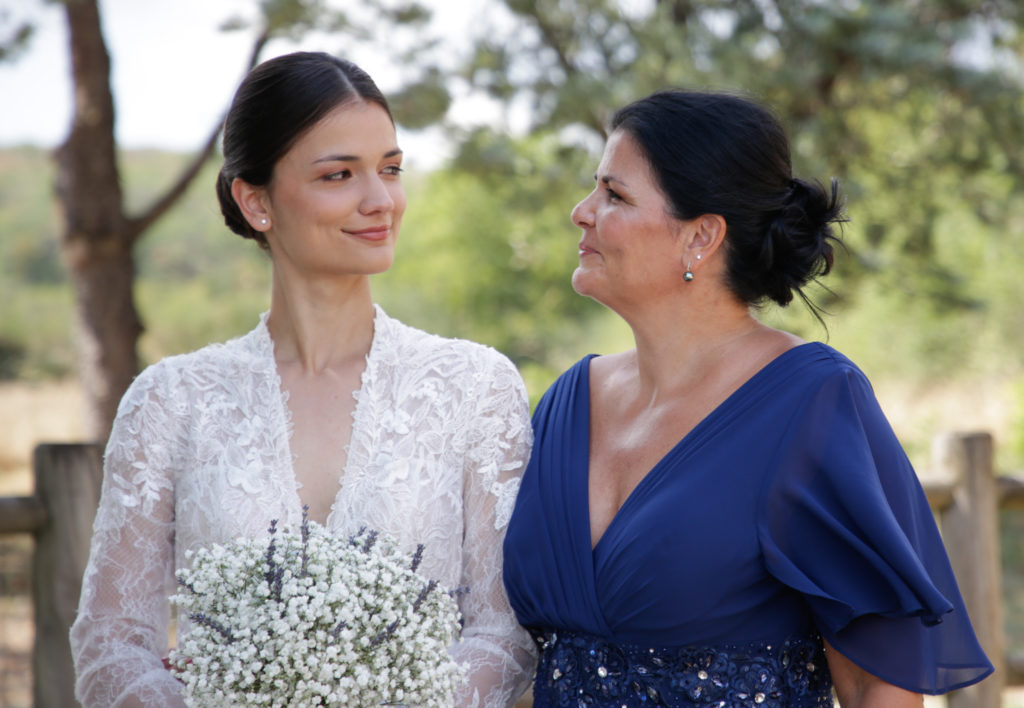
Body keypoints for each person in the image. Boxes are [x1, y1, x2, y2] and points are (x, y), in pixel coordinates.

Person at [70, 51, 535, 708]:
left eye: (391, 169)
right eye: (339, 174)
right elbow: (111, 643)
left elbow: (504, 632)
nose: (381, 200)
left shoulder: (475, 388)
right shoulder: (169, 403)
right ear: (256, 201)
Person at [502, 90, 994, 707]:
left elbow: (876, 683)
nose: (581, 212)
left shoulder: (810, 402)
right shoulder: (565, 403)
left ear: (701, 236)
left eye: (614, 195)